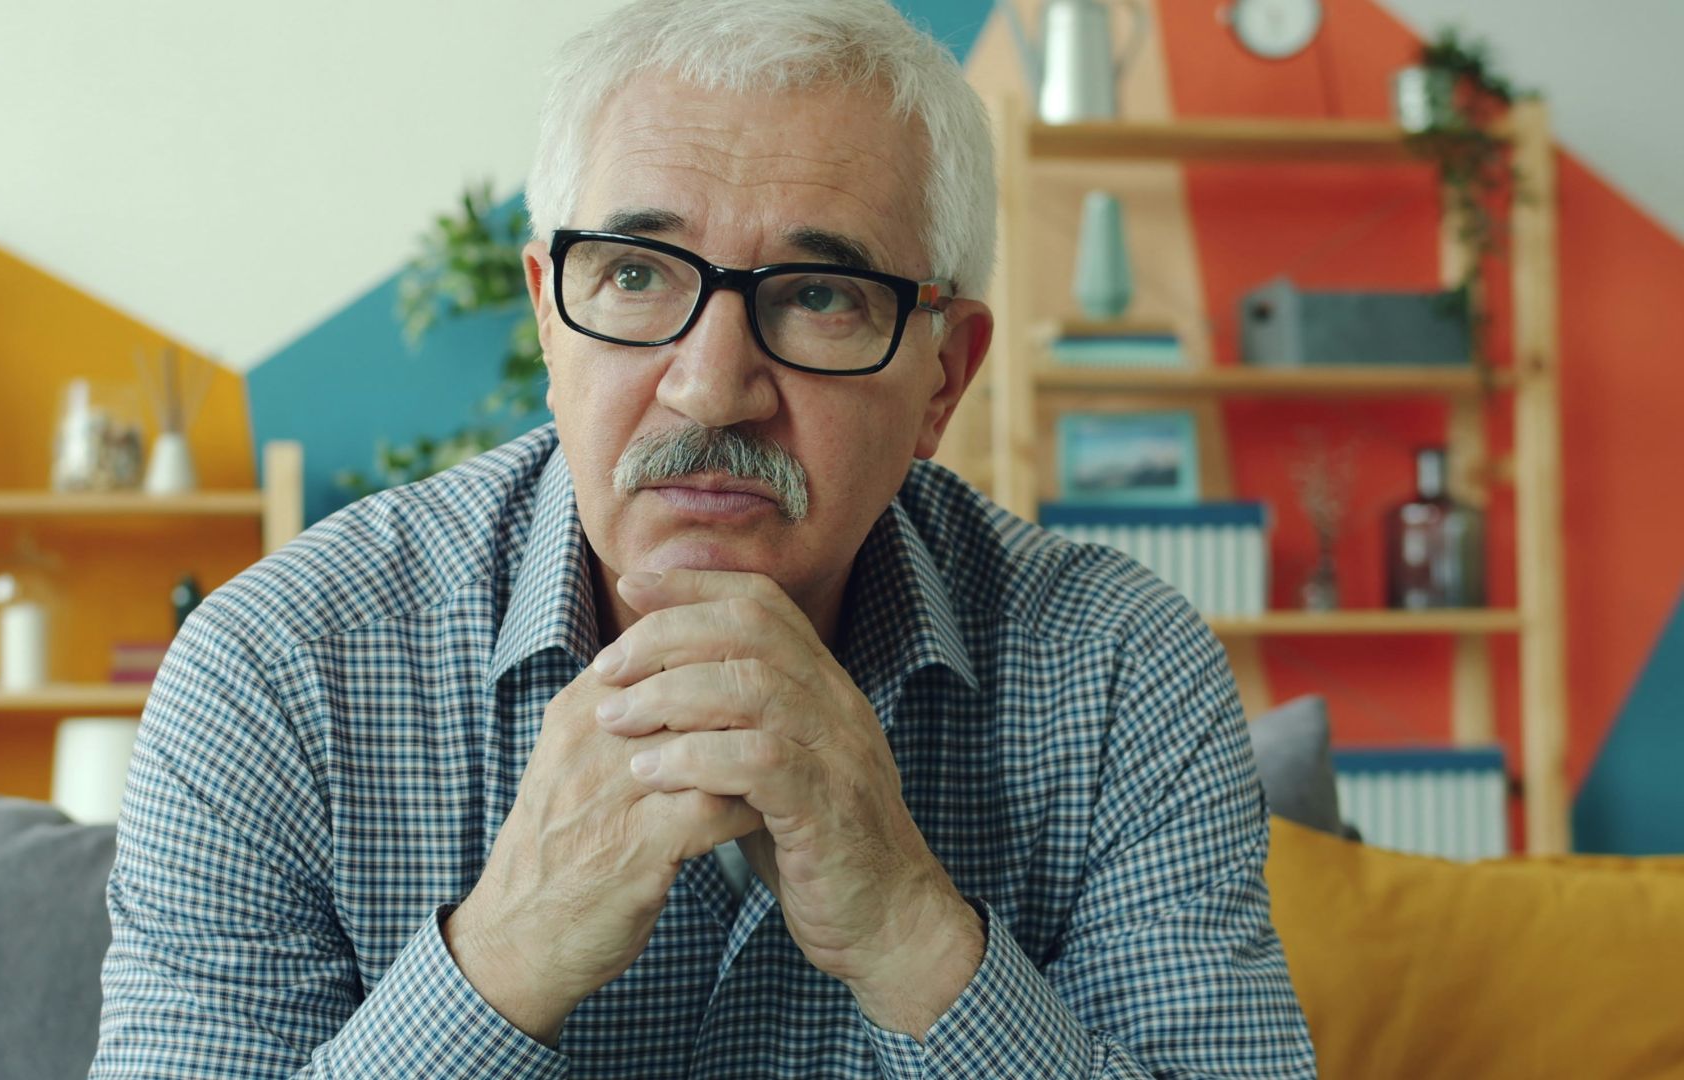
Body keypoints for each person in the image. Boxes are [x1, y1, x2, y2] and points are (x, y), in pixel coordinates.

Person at [90, 0, 1316, 1076]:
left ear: (944, 379)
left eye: (822, 295)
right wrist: (504, 960)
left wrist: (913, 937)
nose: (712, 388)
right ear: (547, 323)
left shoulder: (1117, 671)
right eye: (636, 276)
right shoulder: (273, 673)